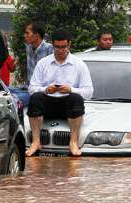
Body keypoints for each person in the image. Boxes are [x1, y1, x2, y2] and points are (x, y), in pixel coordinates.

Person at [26, 28, 93, 157]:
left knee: (76, 98)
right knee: (35, 97)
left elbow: (89, 92)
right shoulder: (43, 63)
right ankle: (36, 142)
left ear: (69, 45)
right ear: (52, 45)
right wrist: (45, 89)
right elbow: (32, 88)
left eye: (64, 47)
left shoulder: (79, 64)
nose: (61, 50)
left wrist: (71, 89)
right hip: (48, 103)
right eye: (57, 47)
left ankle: (73, 142)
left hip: (69, 104)